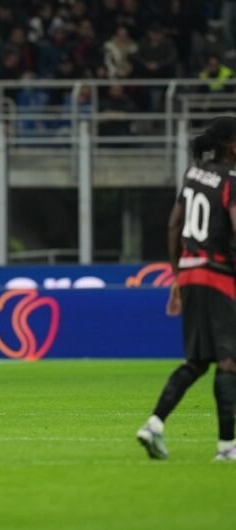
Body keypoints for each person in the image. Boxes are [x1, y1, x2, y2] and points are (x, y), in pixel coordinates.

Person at [136, 117, 236, 461]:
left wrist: (177, 276)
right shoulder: (231, 179)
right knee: (229, 361)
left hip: (191, 273)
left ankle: (153, 425)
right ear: (230, 144)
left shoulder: (193, 174)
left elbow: (174, 225)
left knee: (197, 361)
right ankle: (226, 447)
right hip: (218, 274)